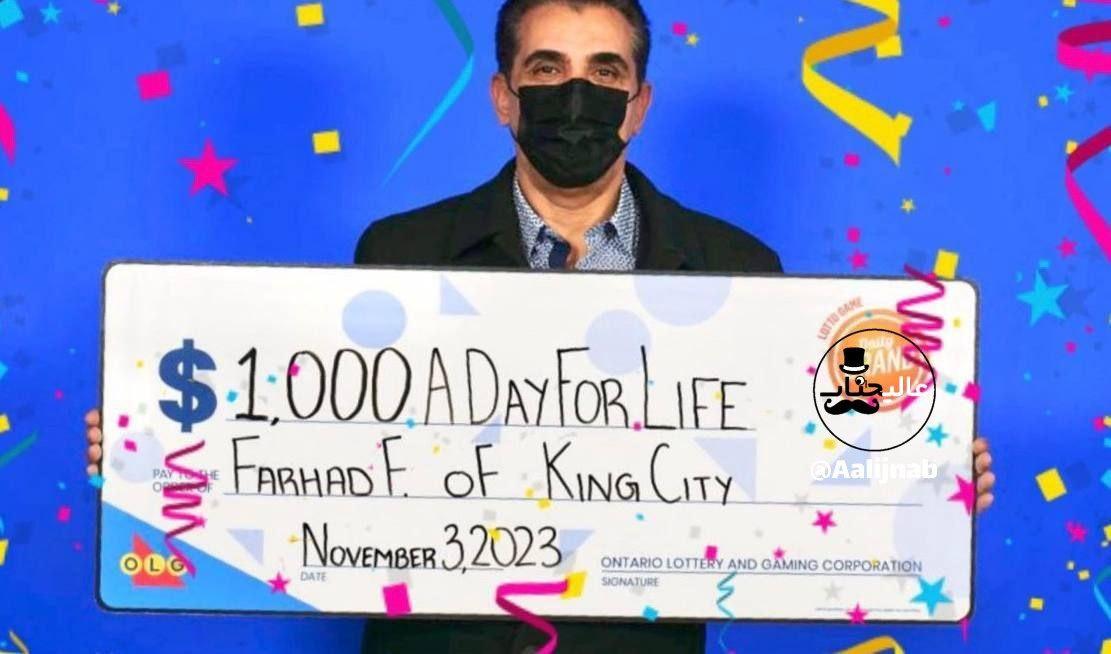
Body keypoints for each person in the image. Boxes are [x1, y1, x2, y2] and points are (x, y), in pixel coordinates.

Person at [85, 0, 996, 651]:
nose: (576, 94)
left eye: (605, 72)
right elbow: (317, 441)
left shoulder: (739, 269)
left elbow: (793, 458)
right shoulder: (400, 252)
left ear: (638, 104)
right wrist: (158, 446)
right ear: (503, 96)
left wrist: (918, 471)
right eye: (547, 70)